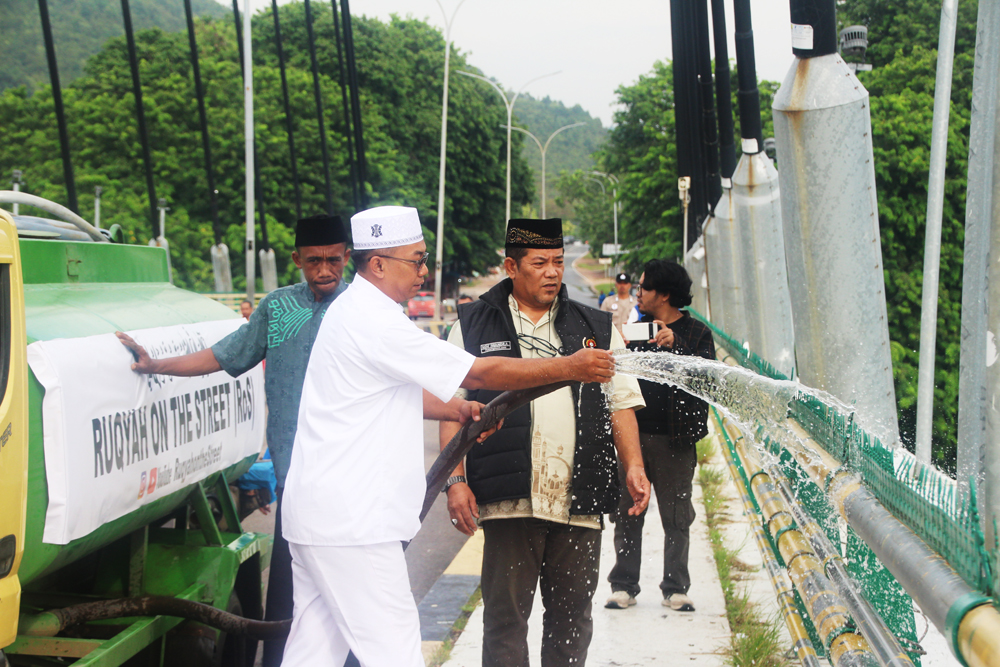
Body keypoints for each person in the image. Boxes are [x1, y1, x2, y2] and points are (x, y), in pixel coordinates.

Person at [279, 206, 623, 667]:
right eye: (416, 260)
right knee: (395, 653)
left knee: (313, 653)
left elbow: (381, 394)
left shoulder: (354, 313)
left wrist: (458, 407)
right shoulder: (373, 319)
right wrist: (569, 367)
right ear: (378, 264)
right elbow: (480, 369)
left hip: (324, 519)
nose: (424, 272)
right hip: (353, 524)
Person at [116, 213, 350, 667]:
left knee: (356, 608)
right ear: (297, 259)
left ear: (348, 258)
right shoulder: (278, 310)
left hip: (353, 484)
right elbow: (226, 355)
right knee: (287, 604)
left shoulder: (363, 309)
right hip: (297, 485)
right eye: (315, 261)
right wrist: (156, 365)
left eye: (334, 261)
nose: (325, 271)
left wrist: (458, 407)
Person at [441, 218, 651, 667]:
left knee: (572, 621)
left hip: (580, 497)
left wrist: (633, 465)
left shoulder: (594, 325)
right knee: (504, 622)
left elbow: (621, 403)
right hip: (509, 501)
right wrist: (455, 480)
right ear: (511, 267)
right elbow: (452, 406)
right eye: (540, 263)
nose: (553, 272)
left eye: (558, 262)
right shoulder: (474, 324)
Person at [604, 259, 715, 612]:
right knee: (627, 512)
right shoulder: (637, 331)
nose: (639, 292)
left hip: (676, 441)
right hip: (633, 438)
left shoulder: (698, 334)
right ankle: (623, 585)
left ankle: (675, 587)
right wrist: (620, 347)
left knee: (677, 514)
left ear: (664, 294)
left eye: (645, 287)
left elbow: (707, 381)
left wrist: (677, 344)